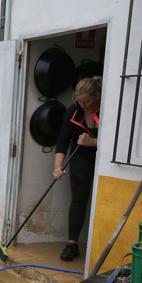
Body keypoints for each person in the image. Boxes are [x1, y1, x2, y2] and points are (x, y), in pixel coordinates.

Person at [54, 77, 102, 262]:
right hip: (81, 156)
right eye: (79, 101)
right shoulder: (74, 110)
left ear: (97, 96)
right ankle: (72, 244)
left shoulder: (109, 108)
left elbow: (116, 141)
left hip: (104, 160)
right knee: (79, 195)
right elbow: (63, 141)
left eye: (86, 101)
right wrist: (57, 166)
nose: (82, 105)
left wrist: (95, 142)